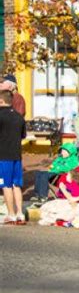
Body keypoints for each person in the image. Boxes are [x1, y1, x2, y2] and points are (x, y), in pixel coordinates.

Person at [0, 89, 27, 224]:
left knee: (5, 185)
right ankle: (20, 213)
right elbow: (23, 136)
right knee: (17, 185)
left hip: (3, 156)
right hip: (17, 155)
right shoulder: (19, 117)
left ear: (1, 101)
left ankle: (10, 214)